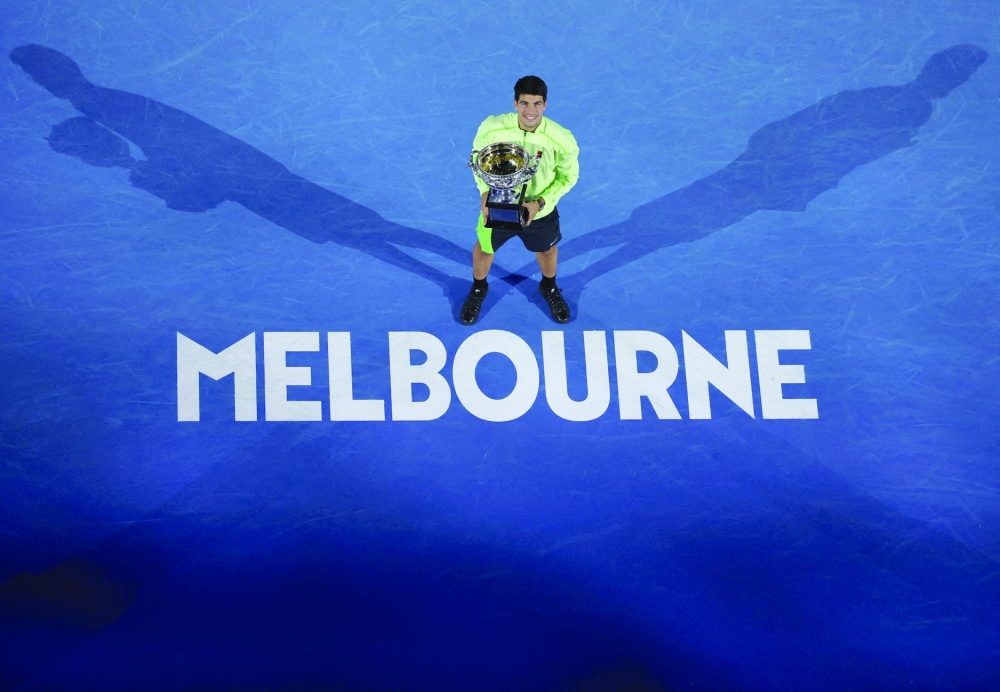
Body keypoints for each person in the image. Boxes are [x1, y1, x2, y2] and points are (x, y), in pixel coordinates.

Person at [461, 76, 580, 325]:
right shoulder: (492, 127)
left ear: (545, 105)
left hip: (540, 210)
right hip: (498, 203)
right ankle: (479, 288)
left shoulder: (562, 139)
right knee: (484, 249)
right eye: (524, 103)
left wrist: (541, 203)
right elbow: (477, 157)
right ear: (515, 103)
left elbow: (569, 177)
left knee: (547, 251)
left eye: (537, 104)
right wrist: (484, 191)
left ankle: (548, 286)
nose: (530, 111)